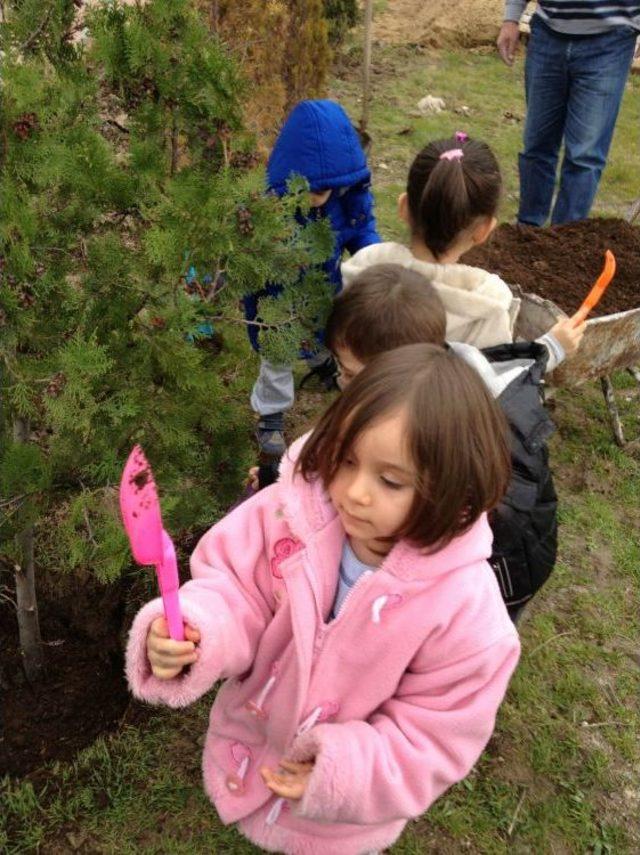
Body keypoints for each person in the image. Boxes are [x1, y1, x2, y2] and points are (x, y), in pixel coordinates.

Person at [126, 344, 520, 855]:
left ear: (454, 490)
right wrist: (199, 630)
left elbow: (434, 736)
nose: (354, 492)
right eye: (346, 461)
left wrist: (343, 772)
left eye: (390, 480)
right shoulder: (287, 516)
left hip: (339, 822)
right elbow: (237, 588)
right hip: (248, 750)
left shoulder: (468, 618)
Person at [278, 263, 585, 621]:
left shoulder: (446, 440)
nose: (342, 383)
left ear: (399, 371)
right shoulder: (438, 369)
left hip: (508, 565)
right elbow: (518, 363)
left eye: (352, 374)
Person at [245, 99, 380, 458]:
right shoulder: (270, 207)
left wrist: (372, 255)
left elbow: (362, 230)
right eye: (305, 189)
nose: (315, 198)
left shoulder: (347, 195)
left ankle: (319, 357)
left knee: (329, 327)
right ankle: (271, 413)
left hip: (324, 289)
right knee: (277, 357)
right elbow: (246, 257)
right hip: (276, 301)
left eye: (323, 190)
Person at [342, 133, 521, 349]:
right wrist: (551, 347)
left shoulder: (365, 266)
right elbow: (494, 375)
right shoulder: (490, 299)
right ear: (484, 231)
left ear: (403, 207)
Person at [497, 2, 638, 226]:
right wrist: (511, 18)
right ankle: (527, 234)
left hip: (611, 39)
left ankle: (564, 243)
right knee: (536, 145)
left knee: (584, 156)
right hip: (548, 33)